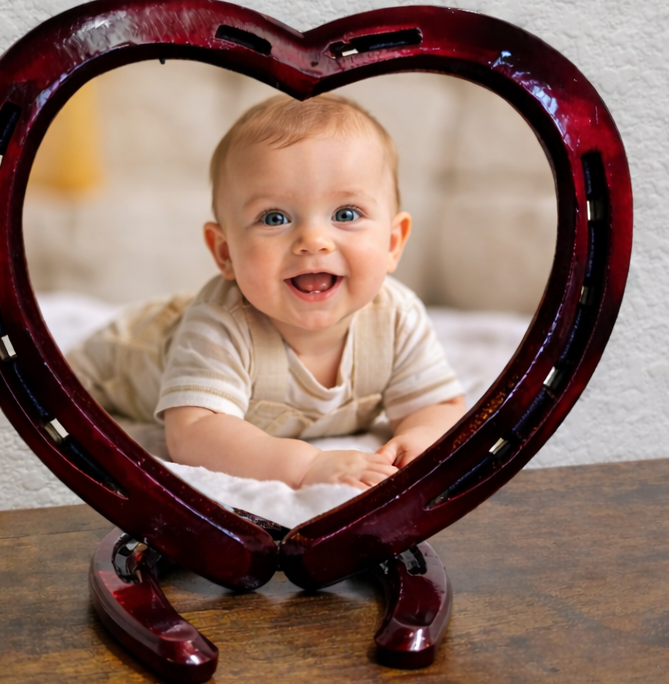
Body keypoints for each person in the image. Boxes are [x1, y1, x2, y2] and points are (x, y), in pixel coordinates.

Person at [68, 94, 466, 490]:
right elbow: (194, 434)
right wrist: (307, 466)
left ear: (393, 243)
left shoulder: (397, 317)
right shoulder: (221, 324)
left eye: (346, 214)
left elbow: (437, 405)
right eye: (274, 218)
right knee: (63, 389)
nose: (313, 240)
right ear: (225, 252)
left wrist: (420, 440)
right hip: (126, 356)